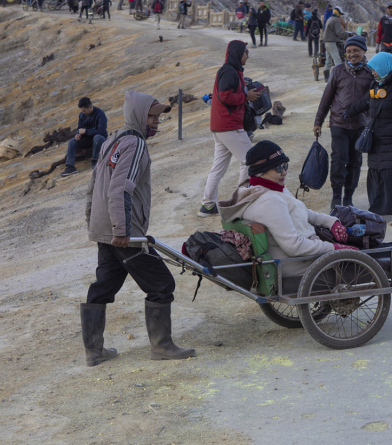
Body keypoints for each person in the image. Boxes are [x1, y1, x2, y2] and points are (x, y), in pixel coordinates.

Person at [82, 90, 195, 366]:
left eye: (158, 117)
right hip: (124, 232)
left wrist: (95, 224)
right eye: (152, 116)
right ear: (138, 116)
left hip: (107, 228)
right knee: (161, 283)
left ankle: (94, 352)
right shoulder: (134, 144)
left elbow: (93, 184)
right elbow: (121, 188)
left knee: (104, 285)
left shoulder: (113, 139)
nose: (156, 121)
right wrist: (121, 229)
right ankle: (162, 346)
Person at [218, 141, 357, 278]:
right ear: (261, 171)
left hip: (307, 252)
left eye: (285, 166)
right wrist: (333, 249)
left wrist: (330, 222)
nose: (284, 172)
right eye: (278, 168)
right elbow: (294, 246)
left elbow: (300, 211)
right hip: (299, 264)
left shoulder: (266, 188)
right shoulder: (269, 201)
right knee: (364, 259)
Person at [346, 52, 392, 225]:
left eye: (375, 69)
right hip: (376, 139)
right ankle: (377, 211)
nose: (372, 73)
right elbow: (365, 101)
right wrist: (348, 112)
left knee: (391, 176)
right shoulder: (377, 84)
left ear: (384, 68)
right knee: (375, 176)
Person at [198, 41, 265, 216]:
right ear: (237, 53)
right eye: (245, 52)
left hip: (220, 125)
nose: (248, 55)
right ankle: (242, 202)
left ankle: (207, 205)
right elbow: (224, 96)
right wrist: (246, 96)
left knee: (218, 167)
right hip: (228, 125)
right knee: (249, 160)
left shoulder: (231, 70)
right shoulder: (229, 71)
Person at [314, 35, 374, 208]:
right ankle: (336, 197)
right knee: (339, 159)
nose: (352, 54)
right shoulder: (338, 70)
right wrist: (318, 121)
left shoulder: (371, 72)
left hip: (361, 125)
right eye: (348, 51)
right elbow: (327, 97)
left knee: (355, 161)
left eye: (356, 51)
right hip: (339, 123)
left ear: (364, 51)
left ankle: (348, 197)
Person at [61, 97, 108, 177]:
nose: (83, 112)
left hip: (99, 139)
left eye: (84, 110)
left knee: (97, 137)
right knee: (72, 142)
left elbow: (101, 132)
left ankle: (95, 161)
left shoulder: (100, 114)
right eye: (82, 110)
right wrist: (78, 135)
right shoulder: (82, 115)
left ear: (90, 107)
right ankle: (70, 167)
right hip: (87, 139)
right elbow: (80, 128)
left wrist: (86, 131)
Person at [322, 6, 347, 82]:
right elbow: (338, 32)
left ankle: (327, 77)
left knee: (329, 61)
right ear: (337, 13)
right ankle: (339, 77)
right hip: (331, 42)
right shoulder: (335, 20)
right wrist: (347, 35)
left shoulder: (330, 18)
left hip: (326, 42)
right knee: (337, 60)